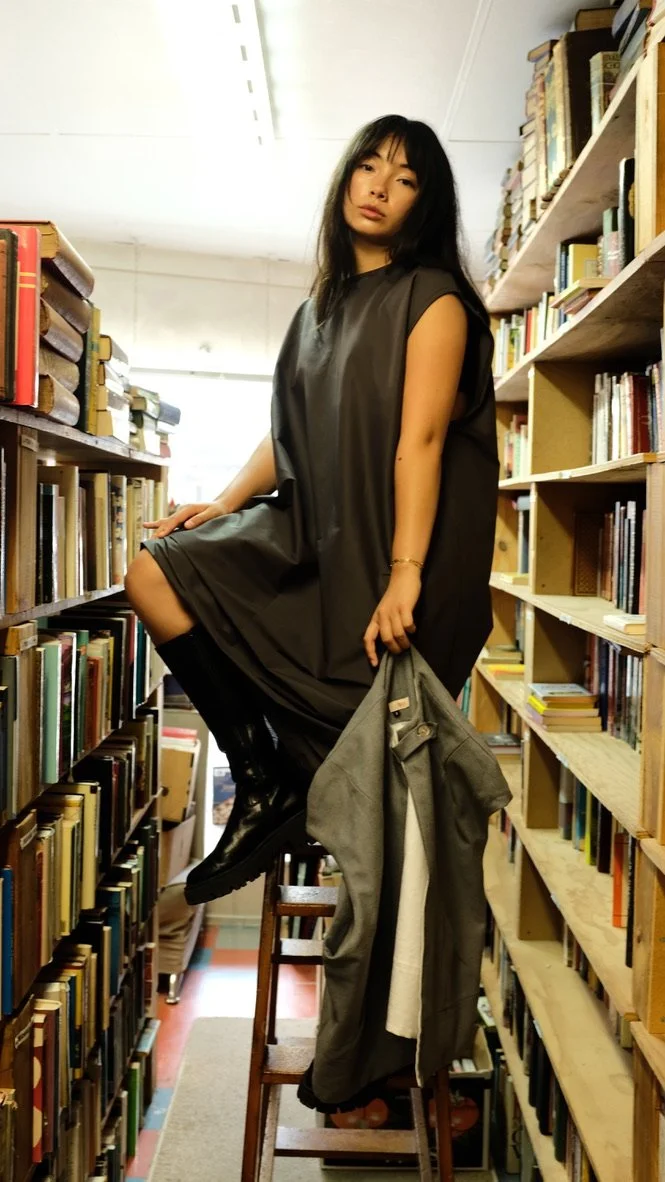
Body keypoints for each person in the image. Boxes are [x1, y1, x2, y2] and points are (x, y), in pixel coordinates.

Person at [124, 114, 498, 907]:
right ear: (345, 180)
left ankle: (377, 991)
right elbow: (292, 427)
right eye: (369, 168)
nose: (379, 188)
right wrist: (223, 501)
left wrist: (404, 574)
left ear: (422, 206)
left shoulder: (435, 301)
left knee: (383, 798)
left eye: (405, 180)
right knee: (153, 575)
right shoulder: (315, 311)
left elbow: (421, 440)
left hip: (390, 552)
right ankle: (266, 781)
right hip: (314, 533)